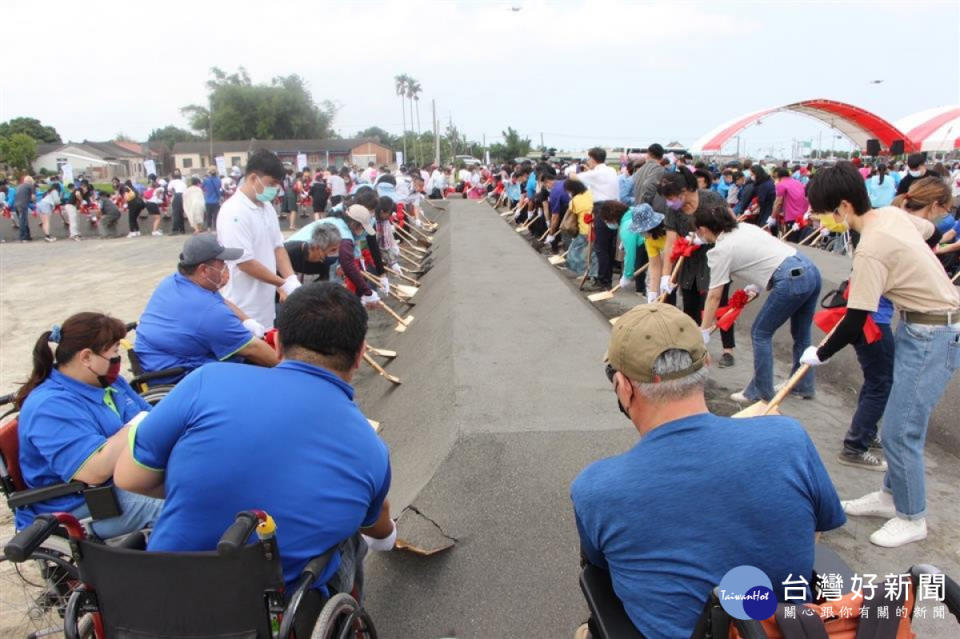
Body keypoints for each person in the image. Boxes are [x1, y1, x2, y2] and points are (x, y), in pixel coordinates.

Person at [571, 304, 844, 639]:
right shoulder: (788, 439)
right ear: (708, 365)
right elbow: (818, 529)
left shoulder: (597, 488)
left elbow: (600, 567)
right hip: (788, 629)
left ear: (623, 387)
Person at [114, 283, 395, 598]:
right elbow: (378, 527)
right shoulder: (370, 449)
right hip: (272, 612)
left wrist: (206, 482)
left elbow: (128, 476)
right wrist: (388, 536)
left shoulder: (206, 381)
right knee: (349, 539)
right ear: (359, 355)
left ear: (277, 343)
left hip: (164, 602)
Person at [803, 162, 959, 547]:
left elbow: (856, 319)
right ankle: (891, 497)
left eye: (825, 213)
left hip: (932, 333)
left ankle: (912, 516)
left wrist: (820, 353)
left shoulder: (871, 246)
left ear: (843, 206)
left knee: (900, 429)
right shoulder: (891, 216)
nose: (824, 221)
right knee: (899, 419)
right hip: (920, 326)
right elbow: (929, 228)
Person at [14, 313, 165, 537]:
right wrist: (136, 425)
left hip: (126, 479)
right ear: (86, 357)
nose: (117, 360)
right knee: (184, 508)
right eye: (114, 352)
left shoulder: (108, 384)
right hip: (83, 506)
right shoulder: (49, 406)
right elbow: (94, 471)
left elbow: (157, 420)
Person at [692, 205, 821, 401]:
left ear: (703, 229)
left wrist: (703, 330)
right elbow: (767, 254)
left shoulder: (720, 250)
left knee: (760, 332)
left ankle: (760, 390)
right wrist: (757, 285)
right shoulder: (745, 228)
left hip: (790, 279)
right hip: (809, 269)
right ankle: (802, 385)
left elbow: (714, 295)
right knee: (801, 333)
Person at [135, 234, 279, 382]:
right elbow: (253, 349)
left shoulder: (173, 282)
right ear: (203, 270)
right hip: (177, 375)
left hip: (154, 357)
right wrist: (293, 371)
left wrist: (248, 321)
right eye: (222, 263)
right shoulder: (209, 311)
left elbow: (221, 300)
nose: (226, 268)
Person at [657, 171, 736, 362]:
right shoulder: (674, 211)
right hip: (688, 263)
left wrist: (705, 239)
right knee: (690, 307)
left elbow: (733, 225)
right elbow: (670, 243)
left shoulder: (712, 199)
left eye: (671, 196)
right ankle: (695, 347)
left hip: (714, 260)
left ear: (684, 191)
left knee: (720, 305)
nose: (669, 201)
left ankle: (728, 350)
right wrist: (666, 275)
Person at [217, 149, 301, 329]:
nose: (275, 189)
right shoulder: (234, 212)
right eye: (272, 183)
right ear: (253, 178)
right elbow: (244, 262)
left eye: (278, 185)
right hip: (243, 306)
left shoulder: (267, 207)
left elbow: (278, 247)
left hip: (265, 304)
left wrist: (291, 278)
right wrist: (282, 283)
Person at [569, 148, 620, 290]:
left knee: (600, 247)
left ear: (592, 159)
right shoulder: (611, 170)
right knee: (609, 247)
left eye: (588, 159)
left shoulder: (596, 173)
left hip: (602, 208)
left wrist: (573, 171)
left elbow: (574, 177)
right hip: (615, 208)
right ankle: (606, 279)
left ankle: (603, 281)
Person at [772, 167, 809, 238]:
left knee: (791, 241)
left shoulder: (781, 185)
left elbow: (778, 203)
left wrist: (773, 217)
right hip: (803, 216)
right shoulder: (797, 182)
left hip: (792, 216)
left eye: (774, 177)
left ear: (778, 176)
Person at [14, 175, 35, 242]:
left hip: (16, 205)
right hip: (23, 205)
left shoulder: (19, 186)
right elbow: (33, 197)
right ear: (31, 181)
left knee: (23, 221)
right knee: (23, 221)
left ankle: (28, 236)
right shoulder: (31, 186)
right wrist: (33, 201)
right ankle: (23, 238)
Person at [167, 170, 188, 234]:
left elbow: (169, 190)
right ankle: (182, 229)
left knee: (176, 213)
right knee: (181, 213)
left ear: (172, 176)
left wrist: (172, 194)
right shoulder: (182, 182)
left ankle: (175, 230)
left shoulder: (172, 182)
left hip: (177, 196)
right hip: (184, 196)